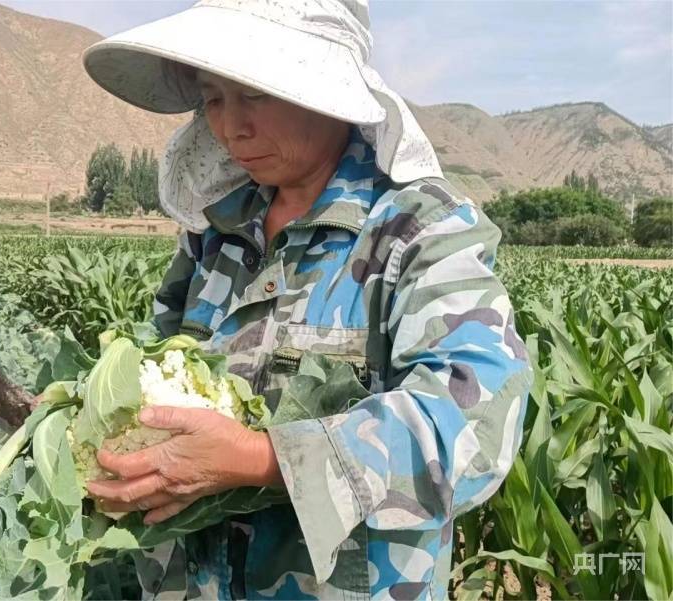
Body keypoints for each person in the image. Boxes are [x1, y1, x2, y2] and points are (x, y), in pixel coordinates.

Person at [81, 1, 533, 598]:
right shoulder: (216, 236)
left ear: (329, 92)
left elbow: (477, 422)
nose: (229, 127)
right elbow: (157, 360)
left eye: (255, 94)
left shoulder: (418, 231)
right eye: (214, 97)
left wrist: (258, 458)